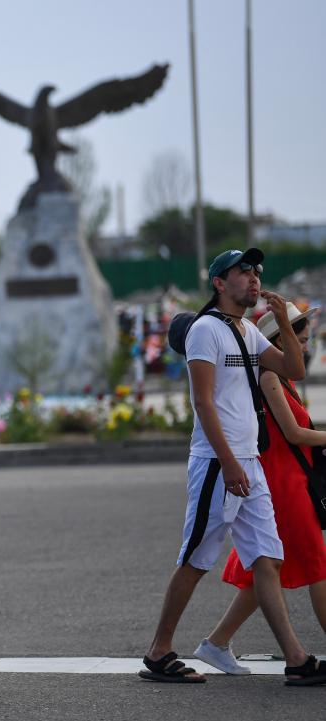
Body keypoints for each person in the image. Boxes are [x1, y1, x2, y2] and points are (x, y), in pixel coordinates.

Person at [139, 248, 326, 686]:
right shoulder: (207, 330)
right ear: (220, 283)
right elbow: (203, 401)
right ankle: (159, 651)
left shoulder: (246, 329)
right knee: (197, 558)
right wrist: (228, 463)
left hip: (249, 461)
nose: (254, 278)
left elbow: (293, 367)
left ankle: (297, 659)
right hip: (218, 463)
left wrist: (282, 320)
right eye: (243, 272)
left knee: (268, 558)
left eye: (257, 271)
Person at [193, 303, 326, 675]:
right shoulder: (269, 377)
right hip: (283, 483)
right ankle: (216, 644)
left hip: (288, 478)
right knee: (315, 564)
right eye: (297, 334)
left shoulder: (284, 379)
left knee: (262, 571)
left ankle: (216, 643)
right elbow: (293, 434)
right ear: (275, 340)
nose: (303, 341)